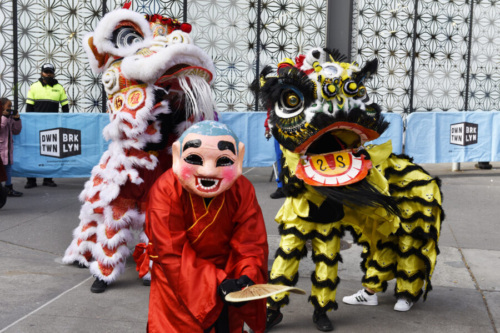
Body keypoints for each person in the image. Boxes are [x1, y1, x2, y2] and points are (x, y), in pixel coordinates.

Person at [136, 121, 268, 333]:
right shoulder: (166, 189)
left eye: (223, 161)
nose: (208, 170)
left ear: (239, 158)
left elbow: (251, 242)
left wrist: (247, 277)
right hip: (178, 279)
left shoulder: (242, 189)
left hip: (228, 277)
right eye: (194, 159)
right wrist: (217, 283)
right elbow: (172, 252)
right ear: (177, 156)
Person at [24, 63, 69, 188]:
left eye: (50, 72)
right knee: (33, 152)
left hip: (52, 125)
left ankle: (48, 179)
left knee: (51, 152)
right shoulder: (34, 86)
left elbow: (65, 107)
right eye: (46, 71)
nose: (48, 74)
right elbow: (29, 107)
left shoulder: (59, 88)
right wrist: (29, 123)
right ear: (41, 72)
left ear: (53, 73)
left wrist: (66, 122)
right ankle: (31, 180)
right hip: (35, 125)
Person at [0, 97, 23, 197]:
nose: (10, 108)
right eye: (8, 106)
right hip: (1, 147)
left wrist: (17, 119)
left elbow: (16, 131)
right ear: (2, 107)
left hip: (8, 148)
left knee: (8, 167)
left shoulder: (9, 117)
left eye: (11, 106)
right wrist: (4, 117)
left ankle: (9, 188)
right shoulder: (2, 117)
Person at [264, 111, 285, 199]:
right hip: (279, 127)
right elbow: (271, 109)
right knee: (280, 157)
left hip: (296, 124)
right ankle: (281, 187)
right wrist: (267, 128)